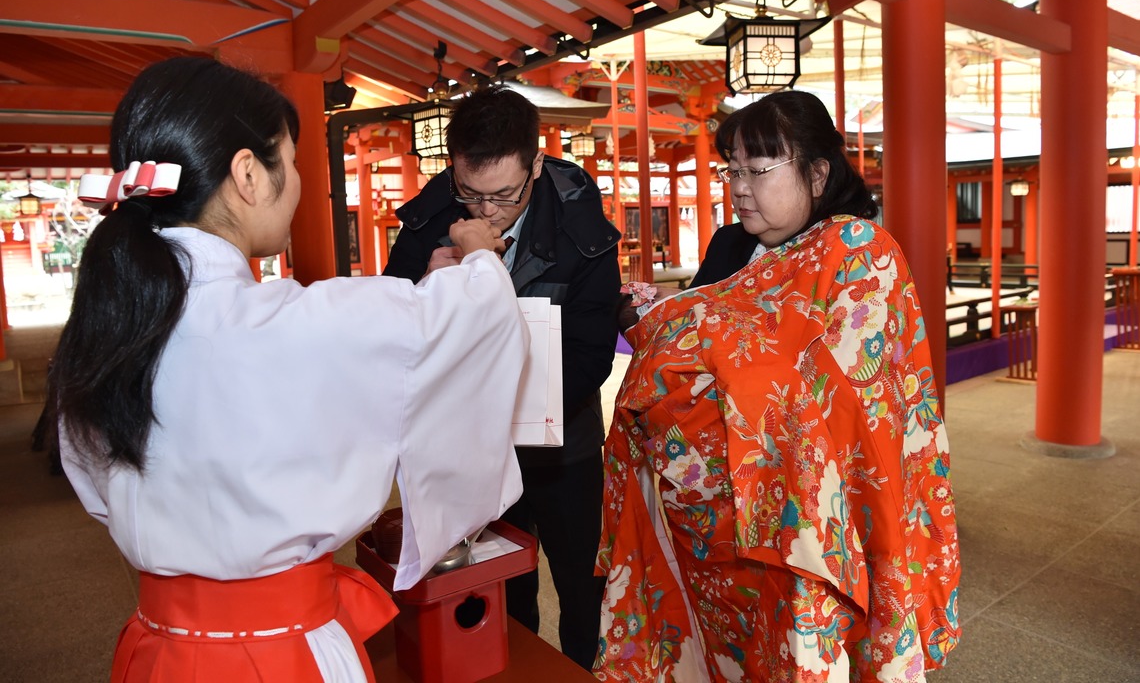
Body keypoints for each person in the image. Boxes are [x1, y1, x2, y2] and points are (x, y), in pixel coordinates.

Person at [50, 56, 531, 683]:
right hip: (280, 650)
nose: (300, 183)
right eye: (294, 161)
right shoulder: (303, 323)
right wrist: (480, 260)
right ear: (249, 174)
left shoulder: (98, 336)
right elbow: (473, 321)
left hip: (158, 647)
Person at [595, 90, 961, 681]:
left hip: (807, 513)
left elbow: (830, 394)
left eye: (758, 171)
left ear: (817, 173)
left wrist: (688, 329)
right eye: (732, 170)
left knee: (799, 646)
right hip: (715, 519)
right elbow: (711, 333)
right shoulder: (732, 244)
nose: (740, 188)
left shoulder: (858, 254)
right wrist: (661, 324)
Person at [383, 85, 620, 670]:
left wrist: (515, 404)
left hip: (564, 440)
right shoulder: (430, 218)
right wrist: (428, 289)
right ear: (453, 169)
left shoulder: (582, 225)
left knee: (581, 583)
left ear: (536, 165)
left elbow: (592, 351)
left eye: (505, 195)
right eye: (470, 193)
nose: (486, 211)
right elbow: (389, 325)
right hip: (473, 448)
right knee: (496, 589)